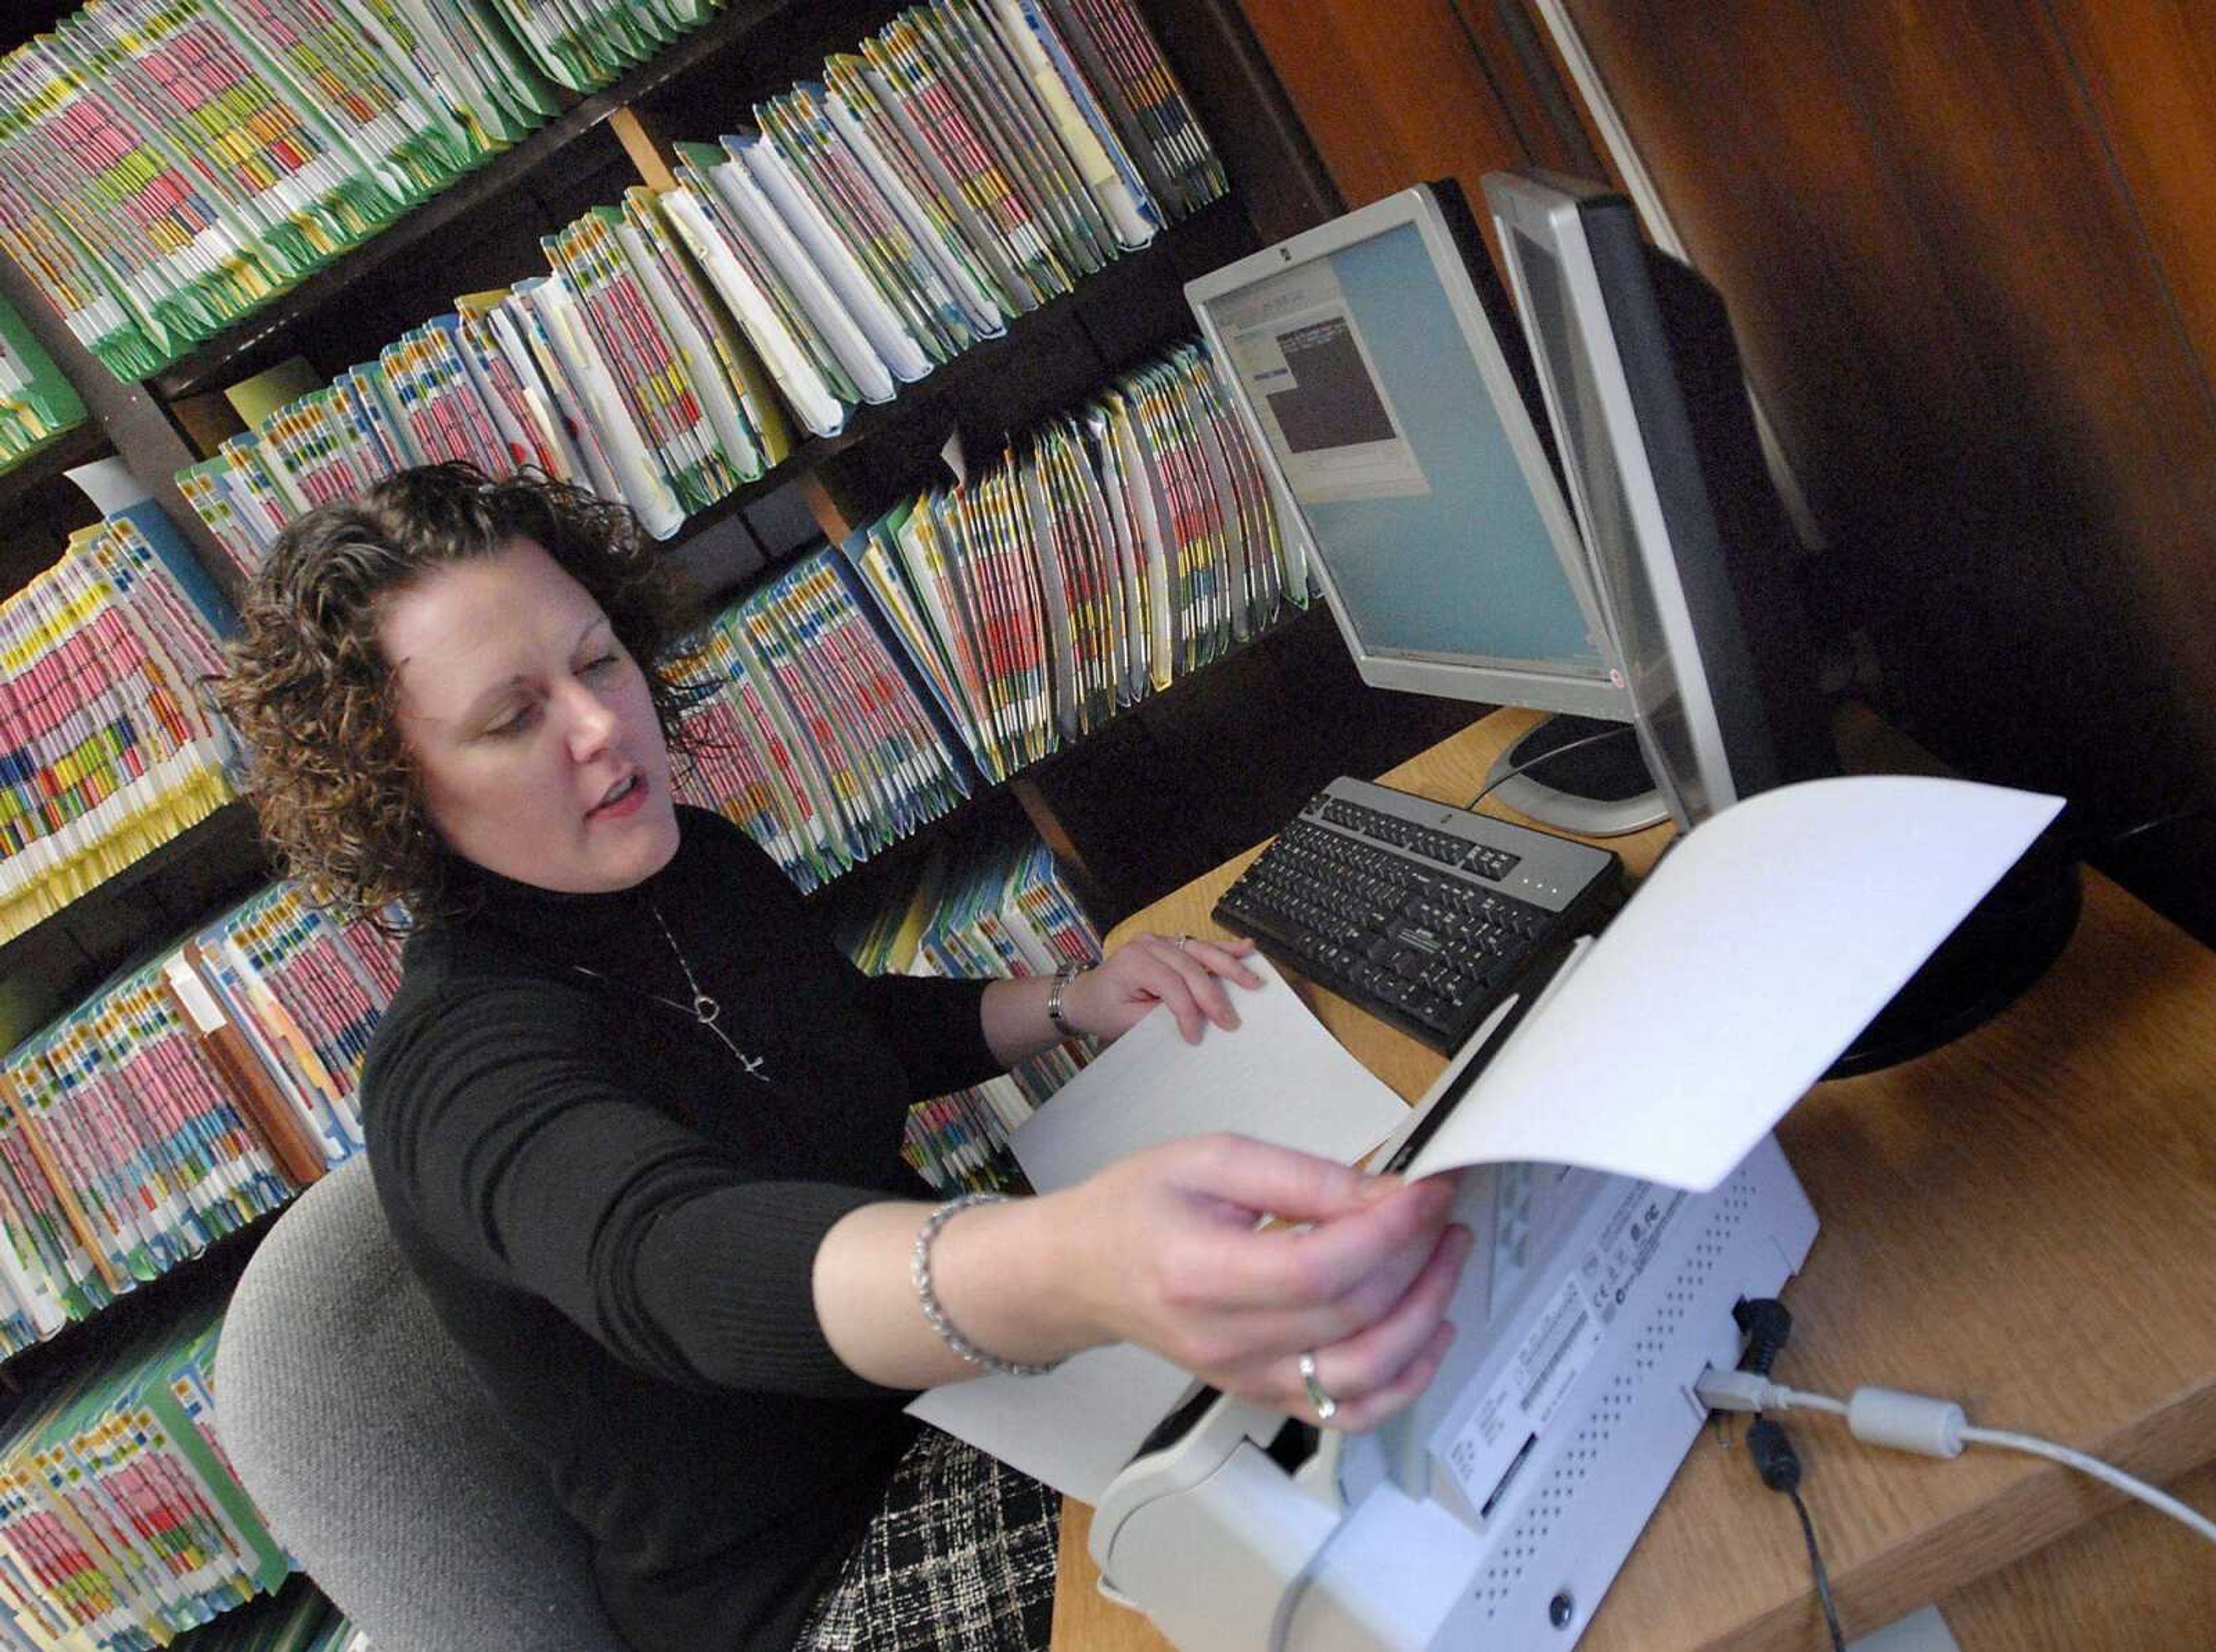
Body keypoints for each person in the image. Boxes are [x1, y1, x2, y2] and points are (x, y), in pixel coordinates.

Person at [218, 463, 1470, 1651]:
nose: (604, 724)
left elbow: (828, 1032)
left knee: (1409, 1418)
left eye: (599, 658)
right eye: (511, 718)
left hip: (974, 1407)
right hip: (821, 1579)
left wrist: (1073, 999)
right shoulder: (452, 1074)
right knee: (1363, 1528)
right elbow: (674, 1259)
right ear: (398, 792)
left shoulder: (692, 865)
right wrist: (1079, 1266)